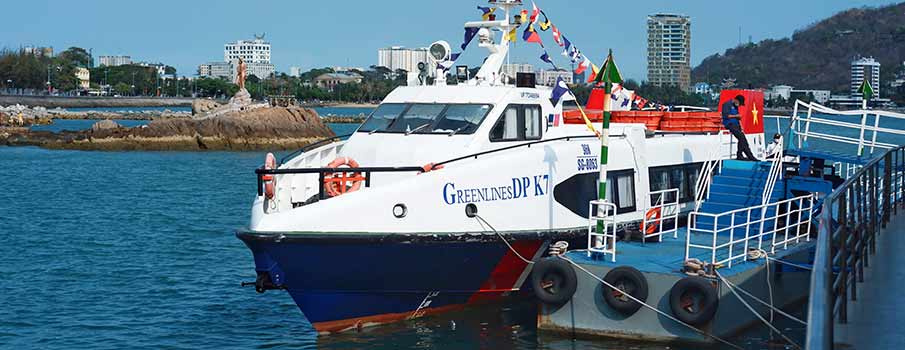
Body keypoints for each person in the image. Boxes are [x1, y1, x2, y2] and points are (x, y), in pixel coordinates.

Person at [721, 95, 758, 161]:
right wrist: (736, 116)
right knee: (741, 137)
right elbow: (725, 115)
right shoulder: (727, 104)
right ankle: (742, 155)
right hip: (729, 124)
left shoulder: (735, 106)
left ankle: (749, 156)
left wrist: (741, 126)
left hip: (736, 124)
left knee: (743, 140)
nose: (739, 105)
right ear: (736, 100)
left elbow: (738, 118)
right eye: (740, 104)